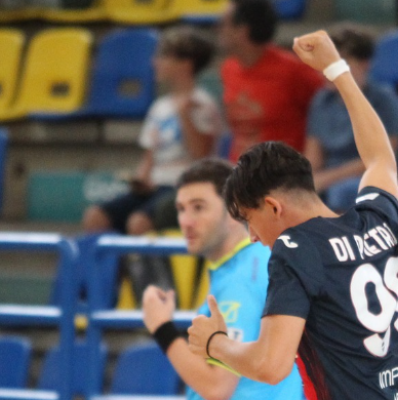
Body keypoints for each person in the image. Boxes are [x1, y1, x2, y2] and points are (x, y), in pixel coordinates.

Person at [187, 30, 398, 400]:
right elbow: (381, 158)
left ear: (273, 206)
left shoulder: (295, 248)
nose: (253, 236)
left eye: (250, 220)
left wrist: (214, 344)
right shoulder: (374, 221)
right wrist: (338, 70)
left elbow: (271, 365)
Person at [142, 159, 303, 400]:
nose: (186, 221)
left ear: (233, 210)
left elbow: (217, 387)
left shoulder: (242, 278)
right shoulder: (254, 262)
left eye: (198, 207)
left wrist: (161, 326)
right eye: (181, 209)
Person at [82, 26, 222, 235]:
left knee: (138, 222)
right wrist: (141, 179)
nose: (155, 62)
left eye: (163, 57)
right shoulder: (159, 107)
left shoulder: (202, 104)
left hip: (185, 187)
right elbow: (149, 157)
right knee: (95, 217)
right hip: (156, 187)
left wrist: (184, 115)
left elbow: (202, 156)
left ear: (185, 64)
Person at [305, 23, 398, 213]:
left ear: (364, 63)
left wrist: (325, 180)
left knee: (344, 192)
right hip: (332, 180)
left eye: (338, 61)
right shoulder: (321, 101)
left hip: (378, 178)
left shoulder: (383, 100)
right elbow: (313, 158)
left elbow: (380, 158)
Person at [219, 0, 324, 163]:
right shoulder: (229, 68)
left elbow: (326, 109)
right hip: (239, 169)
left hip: (281, 169)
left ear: (243, 30)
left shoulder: (293, 70)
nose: (218, 29)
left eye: (224, 24)